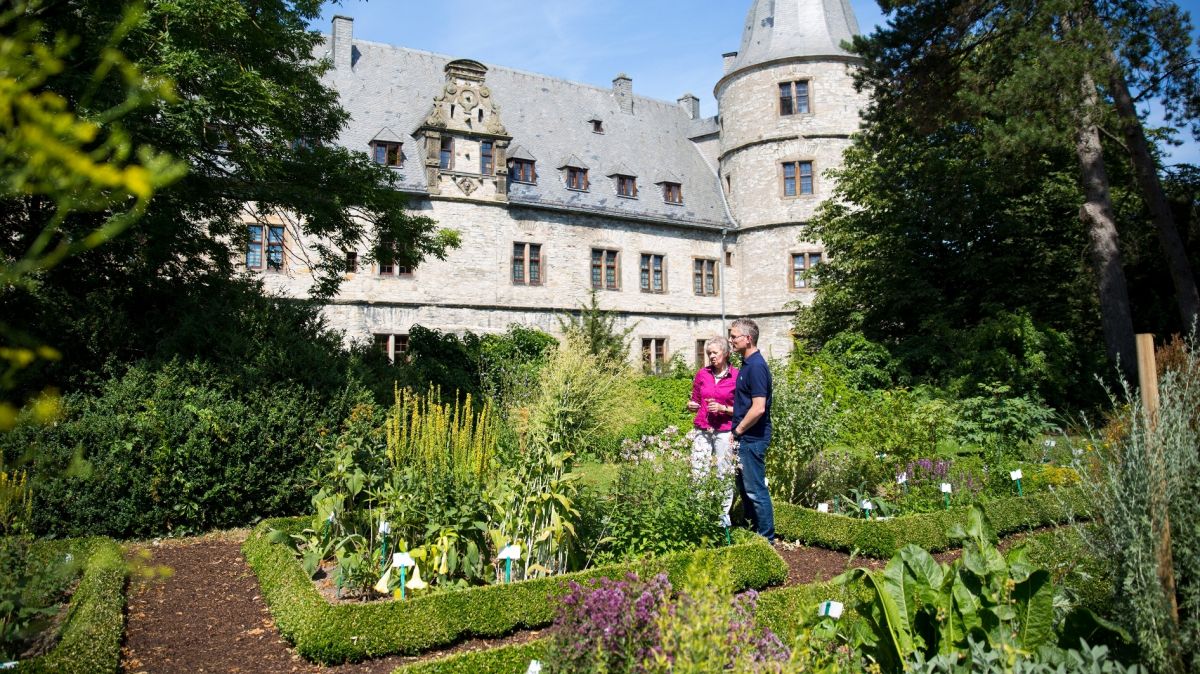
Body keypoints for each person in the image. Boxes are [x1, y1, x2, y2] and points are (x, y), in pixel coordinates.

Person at [685, 336, 738, 534]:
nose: (711, 356)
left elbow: (743, 407)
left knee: (724, 472)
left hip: (724, 430)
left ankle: (723, 518)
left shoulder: (736, 376)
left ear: (725, 353)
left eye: (715, 353)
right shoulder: (702, 374)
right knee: (699, 471)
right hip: (703, 428)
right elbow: (695, 400)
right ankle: (699, 516)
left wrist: (724, 408)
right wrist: (691, 405)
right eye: (709, 353)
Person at [728, 318, 774, 543]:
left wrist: (737, 431)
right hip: (745, 437)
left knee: (755, 490)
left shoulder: (756, 367)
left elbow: (758, 408)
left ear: (748, 339)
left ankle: (766, 539)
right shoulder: (747, 364)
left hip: (752, 438)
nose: (731, 340)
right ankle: (751, 531)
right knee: (745, 489)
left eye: (734, 336)